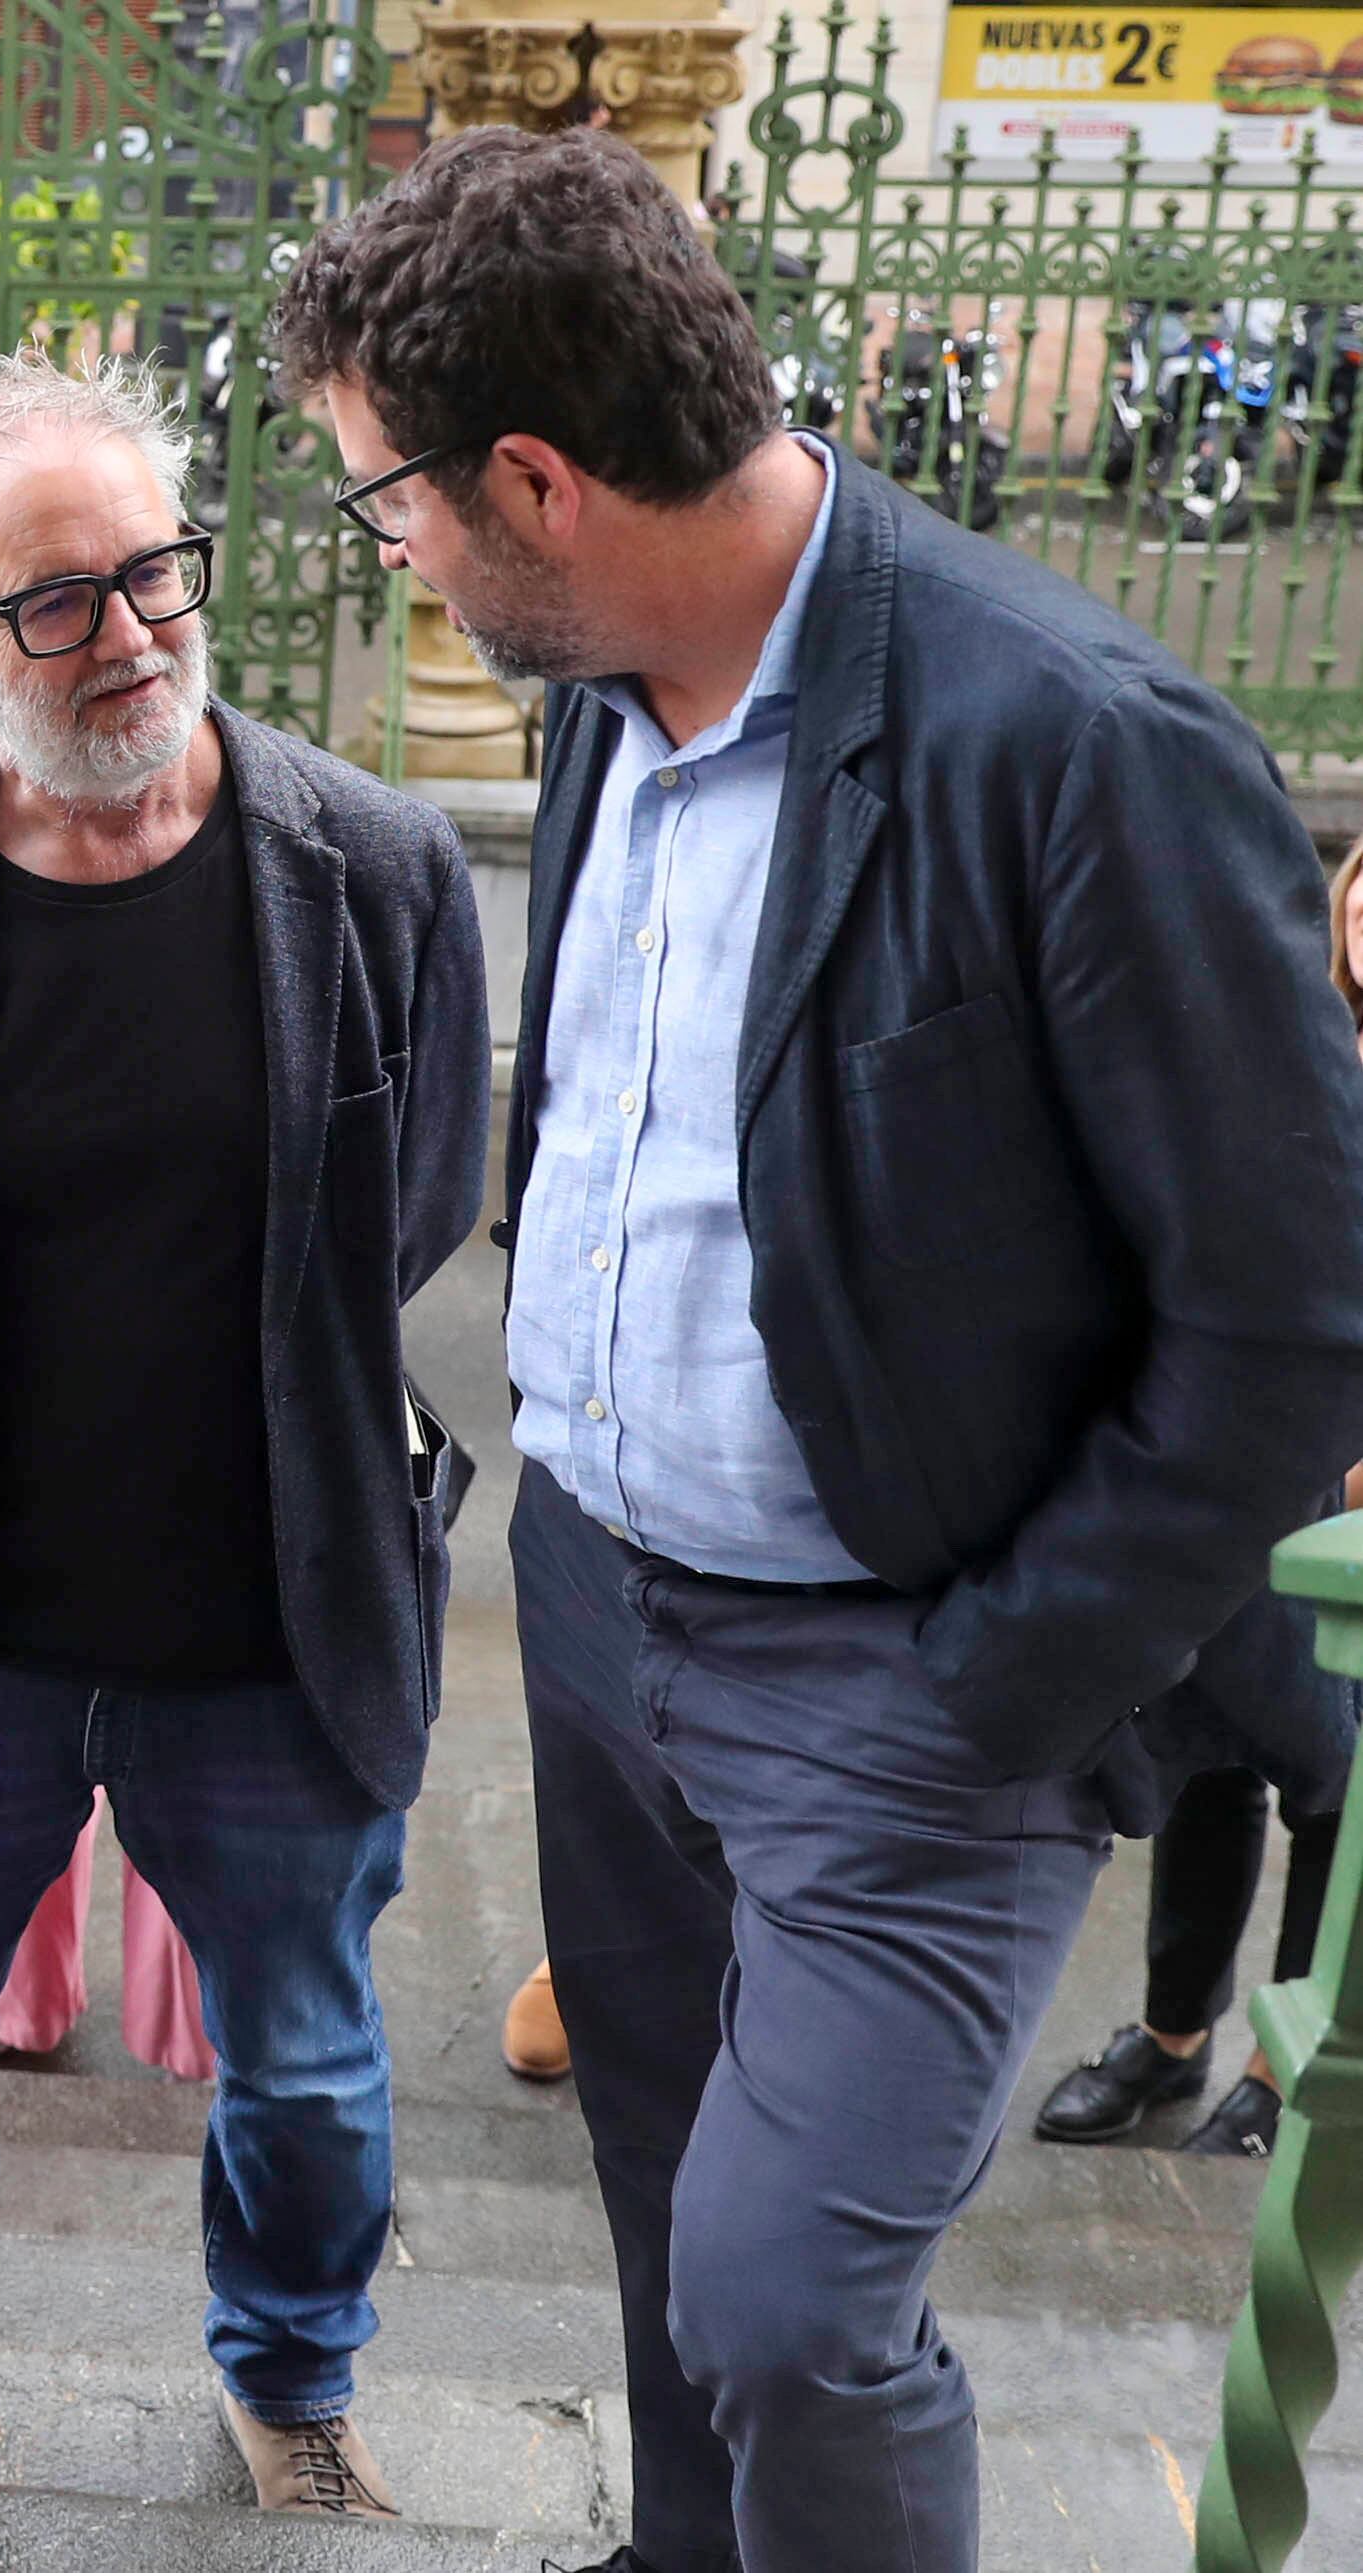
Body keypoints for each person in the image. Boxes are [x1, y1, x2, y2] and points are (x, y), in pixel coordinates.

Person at [274, 128, 1363, 2573]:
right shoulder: (602, 686)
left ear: (532, 481)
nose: (399, 564)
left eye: (392, 511)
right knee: (670, 2221)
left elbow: (1296, 1324)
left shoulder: (1070, 742)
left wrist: (986, 1689)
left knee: (784, 2297)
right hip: (597, 1611)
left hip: (907, 1676)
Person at [0, 347, 487, 2507]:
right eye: (52, 601)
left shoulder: (376, 868)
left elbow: (415, 1207)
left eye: (155, 572)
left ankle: (293, 2385)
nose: (128, 633)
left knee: (313, 2071)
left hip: (269, 1609)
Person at [1036, 837, 1363, 2162]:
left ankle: (1298, 2064)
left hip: (1350, 1497)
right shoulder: (1299, 1045)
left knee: (1334, 1781)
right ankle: (1172, 2038)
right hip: (1247, 1472)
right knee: (1209, 1748)